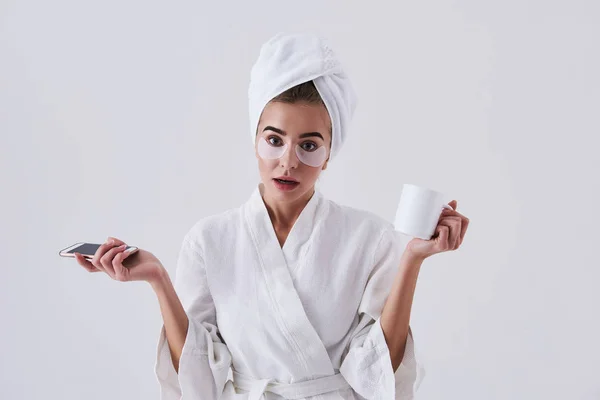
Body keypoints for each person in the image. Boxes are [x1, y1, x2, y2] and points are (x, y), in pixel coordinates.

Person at [74, 33, 469, 400]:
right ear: (255, 139)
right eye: (274, 140)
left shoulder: (371, 237)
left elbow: (377, 368)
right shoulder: (209, 239)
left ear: (329, 153)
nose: (288, 162)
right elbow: (199, 378)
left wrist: (412, 259)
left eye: (309, 145)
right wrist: (158, 279)